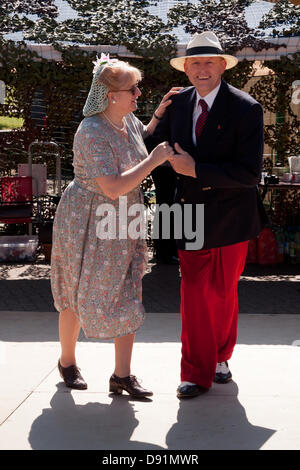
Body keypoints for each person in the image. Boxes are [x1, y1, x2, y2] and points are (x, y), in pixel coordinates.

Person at [145, 31, 268, 398]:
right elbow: (149, 147)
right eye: (195, 62)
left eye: (209, 62)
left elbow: (249, 175)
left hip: (233, 214)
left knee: (223, 291)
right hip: (186, 213)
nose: (202, 69)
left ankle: (220, 358)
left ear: (221, 66)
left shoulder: (247, 108)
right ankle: (195, 372)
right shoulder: (177, 103)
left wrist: (195, 168)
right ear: (185, 68)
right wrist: (154, 116)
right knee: (194, 292)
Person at [51, 54, 177, 398]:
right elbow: (112, 186)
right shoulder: (90, 130)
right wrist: (154, 161)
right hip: (88, 219)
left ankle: (122, 375)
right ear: (111, 95)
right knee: (76, 294)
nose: (138, 93)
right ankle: (67, 361)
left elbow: (140, 137)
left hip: (124, 219)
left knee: (128, 289)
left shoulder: (129, 120)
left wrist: (158, 115)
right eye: (132, 89)